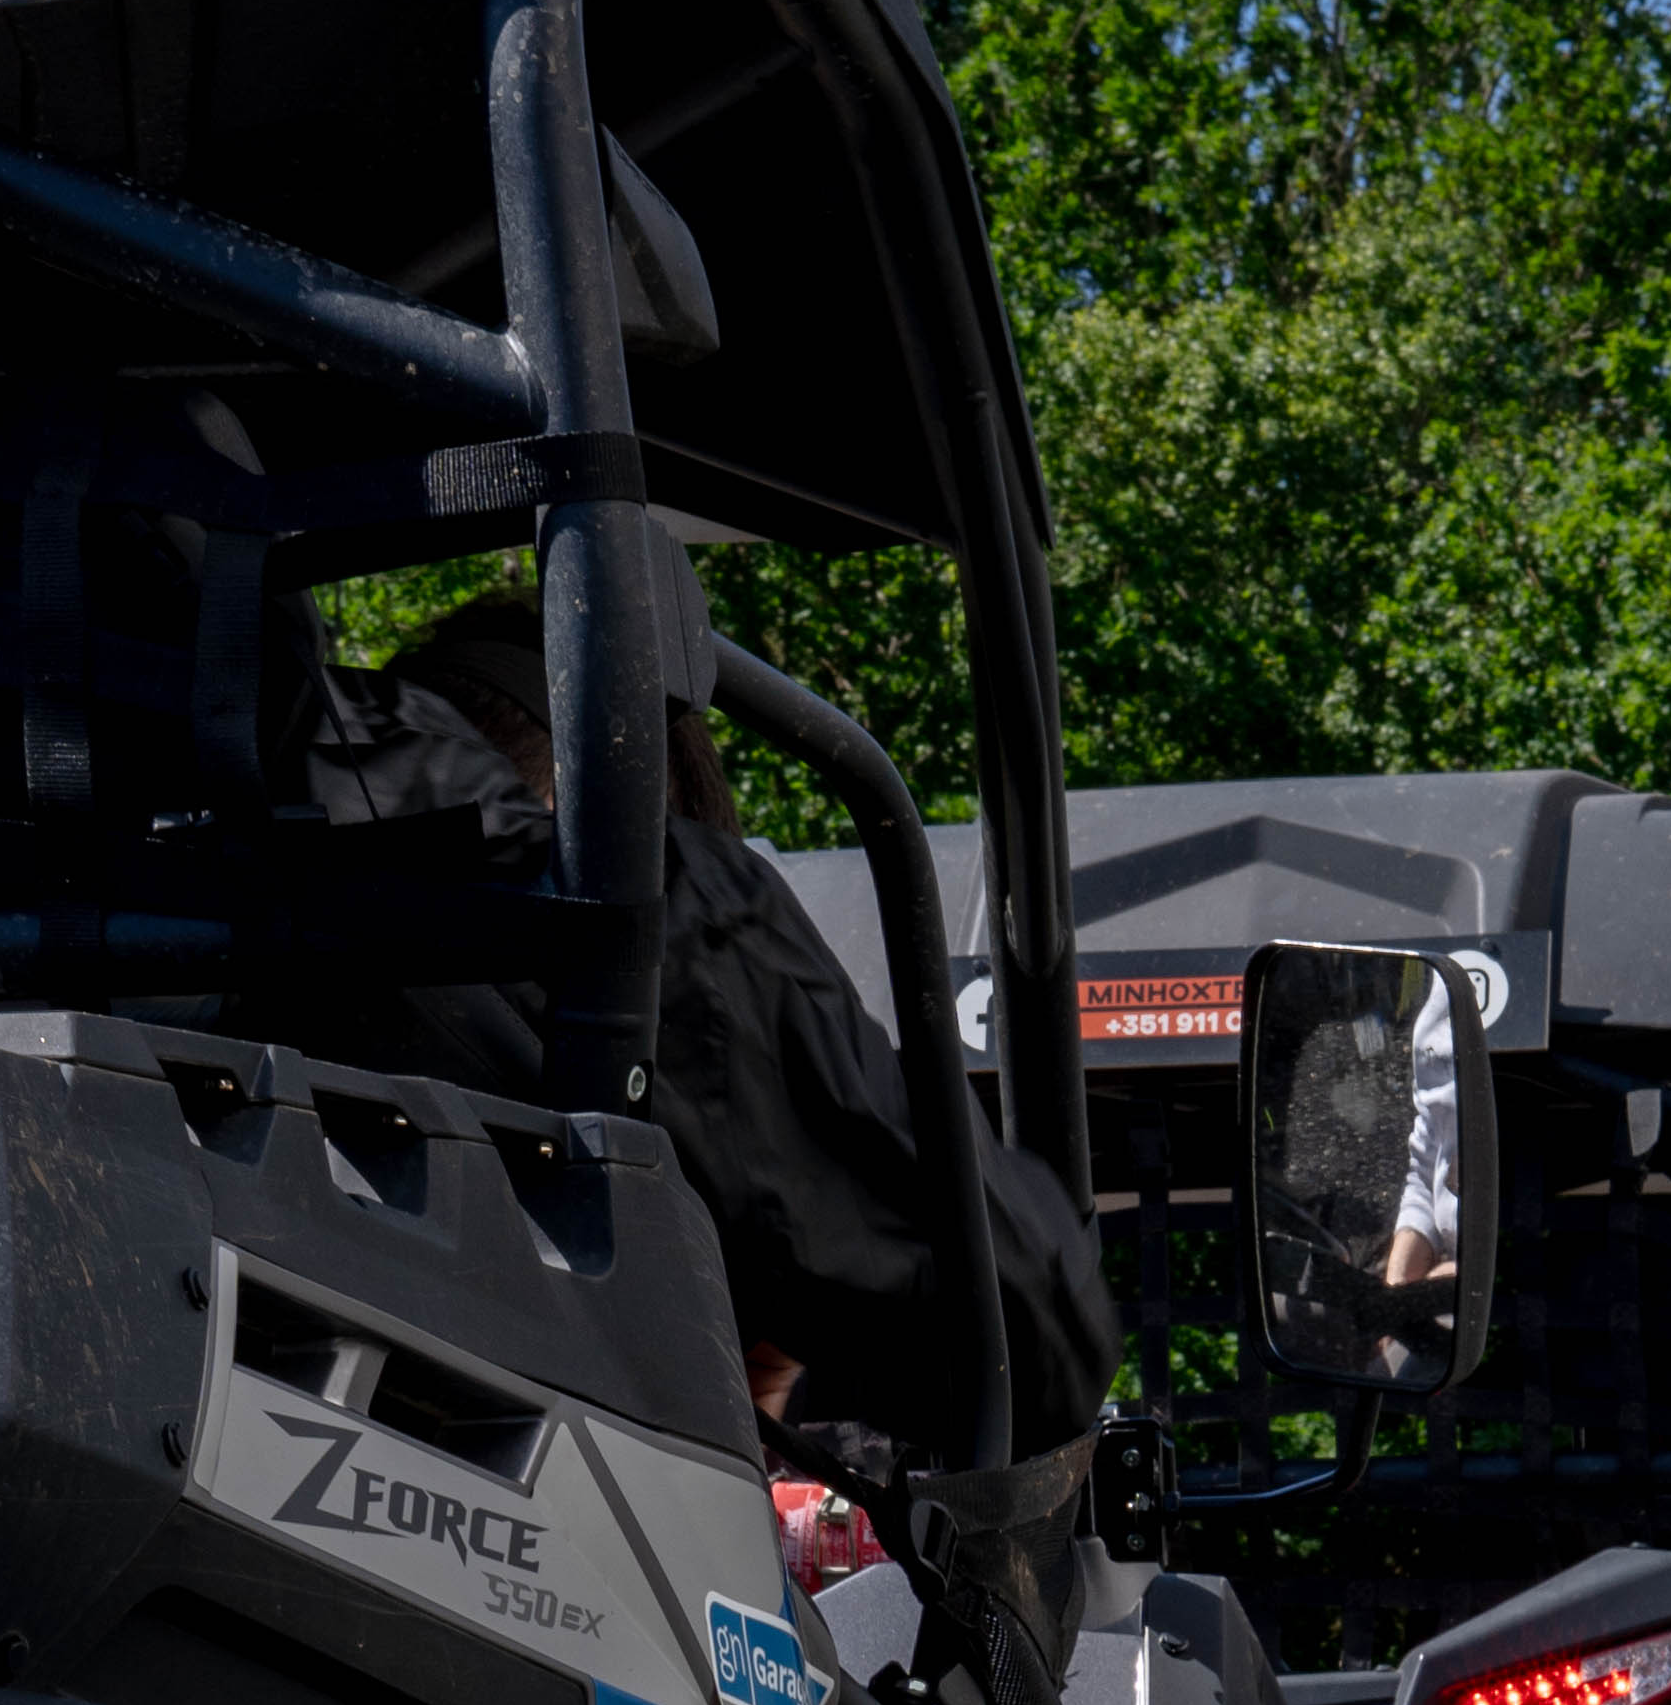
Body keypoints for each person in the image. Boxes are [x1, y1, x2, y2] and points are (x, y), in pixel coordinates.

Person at [301, 592, 1117, 1463]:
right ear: (612, 815)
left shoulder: (253, 820)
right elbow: (1032, 1342)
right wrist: (767, 1298)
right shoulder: (652, 932)